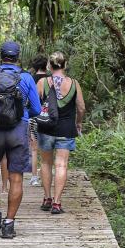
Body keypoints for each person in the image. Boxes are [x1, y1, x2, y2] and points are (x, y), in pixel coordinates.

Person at [0, 41, 41, 238]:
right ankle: (9, 224)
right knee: (16, 177)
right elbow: (36, 110)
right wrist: (20, 114)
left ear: (1, 55)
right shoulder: (27, 78)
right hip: (18, 131)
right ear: (18, 57)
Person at [36, 51, 85, 215]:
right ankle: (57, 203)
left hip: (46, 129)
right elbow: (81, 107)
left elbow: (35, 106)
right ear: (65, 65)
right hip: (66, 129)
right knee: (61, 165)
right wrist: (78, 122)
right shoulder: (74, 84)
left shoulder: (43, 82)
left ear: (49, 66)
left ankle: (47, 198)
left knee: (45, 163)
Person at [27, 54, 48, 187]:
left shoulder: (30, 79)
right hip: (49, 117)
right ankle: (45, 175)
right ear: (47, 65)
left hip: (33, 117)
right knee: (47, 149)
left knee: (34, 149)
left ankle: (34, 178)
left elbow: (28, 99)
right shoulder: (52, 80)